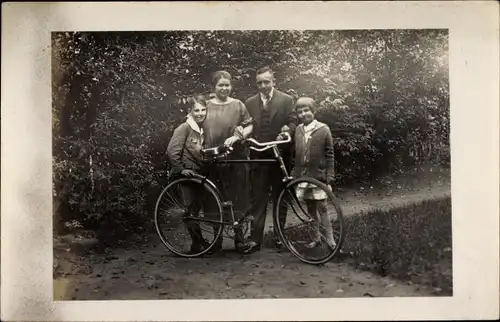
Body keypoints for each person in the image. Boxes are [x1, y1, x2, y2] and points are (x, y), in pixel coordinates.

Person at [243, 66, 298, 253]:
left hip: (280, 156)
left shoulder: (286, 99)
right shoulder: (249, 103)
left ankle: (279, 237)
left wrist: (287, 131)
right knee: (258, 199)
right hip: (258, 156)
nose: (263, 85)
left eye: (267, 82)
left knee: (280, 197)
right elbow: (245, 125)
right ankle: (254, 240)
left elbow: (293, 121)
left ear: (273, 81)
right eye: (259, 82)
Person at [202, 70, 254, 252]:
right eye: (220, 85)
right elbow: (194, 123)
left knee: (236, 198)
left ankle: (240, 239)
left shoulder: (238, 105)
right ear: (214, 87)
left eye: (227, 85)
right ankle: (216, 240)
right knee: (214, 198)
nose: (224, 88)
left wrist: (239, 136)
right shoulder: (206, 106)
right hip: (213, 158)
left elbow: (249, 125)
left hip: (235, 158)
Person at [166, 95, 217, 254]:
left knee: (195, 210)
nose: (201, 113)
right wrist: (181, 169)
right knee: (190, 212)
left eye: (203, 110)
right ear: (190, 111)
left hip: (199, 176)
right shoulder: (184, 128)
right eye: (197, 110)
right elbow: (172, 151)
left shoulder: (201, 128)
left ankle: (198, 243)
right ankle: (198, 243)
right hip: (187, 175)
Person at [291, 97, 336, 249]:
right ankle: (316, 238)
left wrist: (329, 177)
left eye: (306, 110)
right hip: (303, 176)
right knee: (309, 207)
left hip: (318, 176)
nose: (303, 114)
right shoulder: (298, 130)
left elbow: (330, 154)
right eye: (300, 112)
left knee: (322, 207)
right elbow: (296, 153)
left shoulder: (323, 129)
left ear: (313, 111)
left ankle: (330, 241)